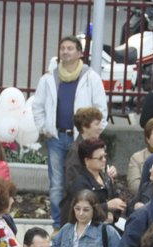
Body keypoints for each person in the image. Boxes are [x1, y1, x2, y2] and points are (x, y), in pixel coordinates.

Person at [31, 37, 108, 225]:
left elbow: (101, 108)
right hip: (56, 137)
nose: (65, 52)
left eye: (70, 48)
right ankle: (59, 223)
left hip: (83, 140)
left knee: (82, 180)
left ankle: (80, 220)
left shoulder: (91, 78)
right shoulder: (49, 78)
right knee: (57, 184)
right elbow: (37, 106)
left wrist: (94, 133)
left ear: (80, 53)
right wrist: (44, 128)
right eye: (62, 48)